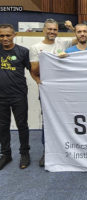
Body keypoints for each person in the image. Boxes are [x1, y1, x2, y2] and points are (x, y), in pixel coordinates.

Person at [29, 18, 76, 167]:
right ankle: (47, 151)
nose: (52, 32)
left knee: (65, 119)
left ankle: (63, 150)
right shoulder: (36, 48)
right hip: (48, 91)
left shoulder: (62, 43)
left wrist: (72, 27)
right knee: (48, 121)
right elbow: (34, 71)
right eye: (49, 29)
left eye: (55, 29)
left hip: (63, 90)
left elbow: (80, 37)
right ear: (44, 30)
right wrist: (47, 60)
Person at [0, 24, 31, 170]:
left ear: (14, 35)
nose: (5, 38)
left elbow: (33, 69)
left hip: (18, 95)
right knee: (2, 126)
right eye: (2, 36)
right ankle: (6, 154)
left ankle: (24, 153)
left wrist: (40, 81)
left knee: (22, 125)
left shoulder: (23, 51)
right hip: (1, 97)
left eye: (8, 35)